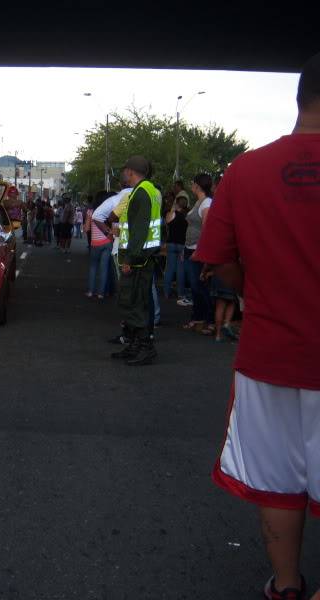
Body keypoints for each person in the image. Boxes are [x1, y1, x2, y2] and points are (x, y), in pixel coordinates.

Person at [193, 52, 320, 600]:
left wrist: (257, 288)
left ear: (299, 98)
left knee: (278, 482)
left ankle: (286, 586)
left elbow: (219, 260)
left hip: (269, 355)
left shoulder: (245, 171)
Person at [107, 156, 162, 366]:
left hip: (138, 260)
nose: (123, 173)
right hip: (143, 257)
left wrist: (129, 259)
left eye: (125, 170)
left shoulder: (141, 193)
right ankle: (135, 345)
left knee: (134, 304)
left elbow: (139, 230)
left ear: (131, 171)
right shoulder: (149, 190)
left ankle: (145, 347)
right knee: (134, 302)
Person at [181, 173, 215, 332]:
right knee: (194, 287)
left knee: (200, 286)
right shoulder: (198, 202)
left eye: (193, 182)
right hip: (189, 248)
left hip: (197, 250)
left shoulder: (207, 203)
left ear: (198, 185)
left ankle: (209, 319)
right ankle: (197, 317)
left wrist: (200, 251)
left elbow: (208, 230)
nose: (191, 185)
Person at [86, 192, 113, 299]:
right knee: (104, 268)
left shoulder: (91, 212)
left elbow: (87, 228)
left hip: (95, 243)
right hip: (107, 242)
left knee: (93, 267)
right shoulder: (110, 212)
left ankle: (90, 292)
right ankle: (101, 293)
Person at [164, 194, 189, 301]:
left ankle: (166, 292)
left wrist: (172, 209)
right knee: (180, 270)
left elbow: (167, 222)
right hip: (182, 244)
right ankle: (180, 293)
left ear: (176, 203)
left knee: (169, 268)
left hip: (171, 243)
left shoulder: (172, 214)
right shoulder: (187, 216)